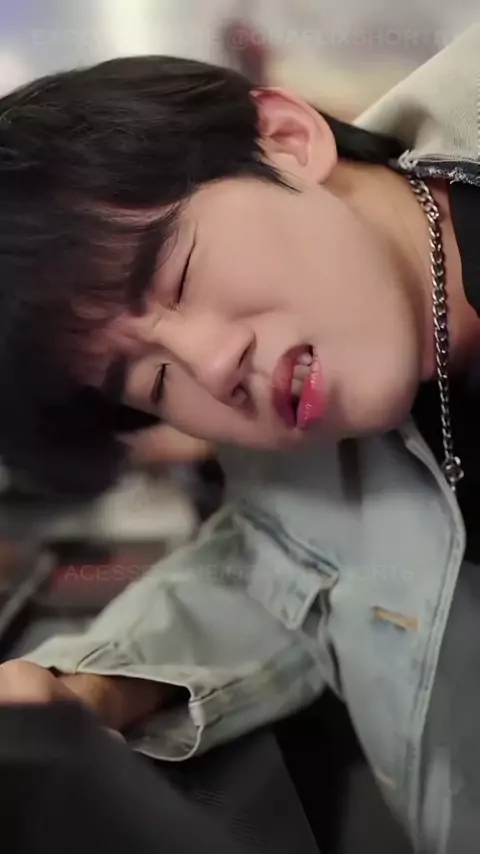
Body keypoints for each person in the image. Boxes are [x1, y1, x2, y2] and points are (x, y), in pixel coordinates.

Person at [0, 22, 480, 852]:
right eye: (151, 382)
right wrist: (82, 687)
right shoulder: (310, 462)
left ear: (286, 140)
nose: (213, 365)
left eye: (177, 272)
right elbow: (273, 563)